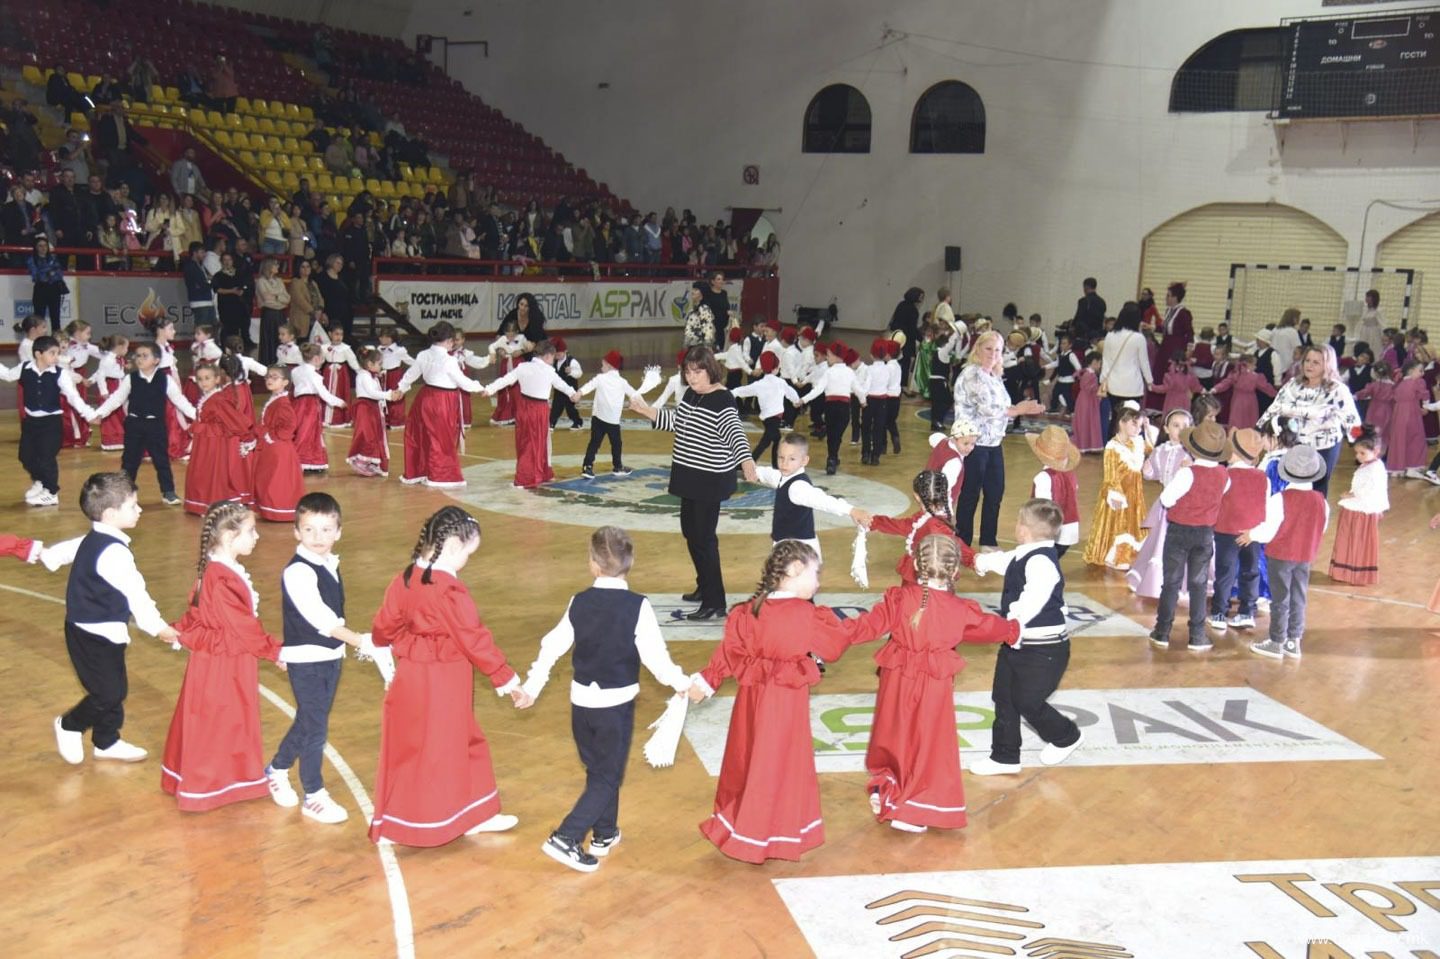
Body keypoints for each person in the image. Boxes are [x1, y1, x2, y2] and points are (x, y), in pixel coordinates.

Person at [520, 527, 694, 872]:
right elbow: (656, 660)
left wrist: (532, 686)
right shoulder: (638, 606)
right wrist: (682, 684)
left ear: (593, 564)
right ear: (631, 563)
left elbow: (551, 646)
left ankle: (604, 833)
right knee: (607, 776)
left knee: (599, 771)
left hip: (581, 706)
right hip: (616, 708)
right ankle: (566, 837)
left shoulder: (579, 601)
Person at [369, 508, 532, 846]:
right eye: (469, 554)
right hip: (445, 679)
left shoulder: (405, 578)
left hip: (411, 675)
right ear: (454, 546)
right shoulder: (448, 589)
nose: (467, 561)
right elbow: (473, 638)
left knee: (414, 746)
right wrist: (508, 679)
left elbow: (384, 626)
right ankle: (439, 820)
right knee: (449, 746)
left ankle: (445, 816)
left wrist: (386, 647)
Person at [685, 541, 854, 863]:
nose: (819, 582)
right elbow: (836, 643)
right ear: (794, 570)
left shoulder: (748, 611)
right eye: (815, 573)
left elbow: (729, 652)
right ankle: (767, 834)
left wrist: (706, 682)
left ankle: (744, 826)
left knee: (751, 760)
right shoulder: (807, 616)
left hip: (751, 702)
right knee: (779, 764)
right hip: (785, 704)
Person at [842, 535, 1019, 831]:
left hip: (897, 678)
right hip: (932, 685)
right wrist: (1014, 629)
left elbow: (865, 626)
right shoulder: (960, 609)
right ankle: (913, 808)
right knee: (927, 741)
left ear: (915, 565)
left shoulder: (899, 600)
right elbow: (987, 627)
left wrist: (824, 633)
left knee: (894, 732)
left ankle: (889, 783)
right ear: (954, 571)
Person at [53, 473, 179, 765]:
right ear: (110, 514)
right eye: (133, 505)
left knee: (113, 686)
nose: (140, 510)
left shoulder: (98, 537)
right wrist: (158, 628)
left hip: (106, 632)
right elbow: (137, 594)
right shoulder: (114, 553)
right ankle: (69, 725)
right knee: (109, 692)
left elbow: (71, 548)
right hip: (90, 634)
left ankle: (106, 741)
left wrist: (47, 555)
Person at [160, 501, 280, 810]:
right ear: (228, 536)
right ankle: (211, 784)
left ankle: (220, 779)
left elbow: (197, 611)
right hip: (225, 662)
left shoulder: (217, 569)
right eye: (251, 531)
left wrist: (180, 630)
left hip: (221, 659)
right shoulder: (221, 576)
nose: (257, 537)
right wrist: (275, 650)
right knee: (221, 720)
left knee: (218, 720)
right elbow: (243, 626)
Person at [629, 347, 758, 619]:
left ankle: (715, 601)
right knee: (691, 532)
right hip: (689, 475)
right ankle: (705, 585)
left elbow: (736, 433)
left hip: (709, 479)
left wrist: (746, 461)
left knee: (703, 538)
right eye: (688, 372)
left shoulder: (723, 399)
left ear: (711, 370)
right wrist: (647, 411)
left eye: (698, 371)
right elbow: (679, 422)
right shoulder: (690, 394)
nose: (692, 377)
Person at [264, 493, 368, 824]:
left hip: (329, 657)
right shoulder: (298, 572)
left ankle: (277, 768)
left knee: (310, 719)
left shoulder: (328, 564)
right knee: (316, 728)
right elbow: (320, 619)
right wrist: (360, 641)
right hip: (308, 661)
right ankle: (314, 794)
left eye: (326, 530)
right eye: (309, 530)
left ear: (338, 532)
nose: (318, 537)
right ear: (296, 531)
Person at [968, 499, 1085, 776]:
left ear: (1023, 530)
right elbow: (1002, 561)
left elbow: (1032, 601)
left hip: (1044, 650)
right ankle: (1005, 756)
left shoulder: (1042, 563)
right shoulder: (1024, 554)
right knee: (1004, 698)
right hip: (1016, 643)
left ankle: (1067, 736)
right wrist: (975, 561)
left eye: (1018, 521)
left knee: (1027, 701)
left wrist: (1007, 623)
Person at [952, 331, 1044, 546]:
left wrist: (1019, 408)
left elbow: (1003, 405)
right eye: (988, 348)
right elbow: (988, 408)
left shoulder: (993, 375)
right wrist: (1018, 410)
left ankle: (988, 541)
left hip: (994, 444)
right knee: (970, 494)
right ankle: (962, 543)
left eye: (997, 350)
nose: (993, 354)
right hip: (973, 444)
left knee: (995, 493)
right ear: (977, 349)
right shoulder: (972, 374)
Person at [1147, 421, 1229, 652]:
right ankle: (1197, 635)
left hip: (1179, 532)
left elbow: (1166, 499)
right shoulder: (1224, 475)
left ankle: (1162, 631)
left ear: (1193, 449)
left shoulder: (1187, 473)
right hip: (1205, 534)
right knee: (1198, 584)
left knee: (1171, 583)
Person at [1244, 445, 1330, 660]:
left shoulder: (1280, 499)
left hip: (1281, 556)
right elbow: (1322, 527)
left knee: (1280, 598)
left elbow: (1268, 531)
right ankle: (1293, 641)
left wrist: (1251, 535)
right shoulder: (1322, 501)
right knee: (1298, 597)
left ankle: (1276, 641)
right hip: (1305, 555)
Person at [89, 342, 195, 507]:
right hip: (134, 425)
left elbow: (180, 401)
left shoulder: (165, 379)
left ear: (156, 360)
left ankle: (168, 492)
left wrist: (197, 415)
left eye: (145, 356)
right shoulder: (130, 379)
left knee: (162, 461)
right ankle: (125, 494)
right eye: (138, 355)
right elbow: (116, 399)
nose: (139, 359)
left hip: (156, 426)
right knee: (129, 462)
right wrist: (100, 413)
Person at [1256, 344, 1360, 497]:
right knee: (1291, 488)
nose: (1309, 365)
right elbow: (1274, 408)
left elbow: (1352, 419)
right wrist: (1257, 431)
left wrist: (1363, 444)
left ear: (1327, 365)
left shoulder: (1338, 390)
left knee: (1316, 492)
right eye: (1307, 361)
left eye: (1316, 362)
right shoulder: (1293, 384)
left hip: (1324, 447)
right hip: (1294, 444)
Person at [482, 340, 580, 489]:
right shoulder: (549, 371)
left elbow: (505, 380)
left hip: (523, 408)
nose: (553, 361)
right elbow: (563, 385)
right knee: (539, 442)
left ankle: (535, 474)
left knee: (526, 442)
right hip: (539, 410)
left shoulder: (522, 367)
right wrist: (574, 394)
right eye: (552, 358)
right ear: (547, 356)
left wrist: (489, 389)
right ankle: (528, 477)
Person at [752, 434, 869, 558]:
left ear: (804, 461)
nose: (784, 463)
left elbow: (822, 500)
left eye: (792, 459)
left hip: (799, 552)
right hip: (788, 547)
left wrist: (851, 510)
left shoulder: (798, 488)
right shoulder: (784, 477)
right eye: (781, 457)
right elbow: (770, 475)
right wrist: (753, 470)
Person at [398, 322, 485, 488]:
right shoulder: (449, 360)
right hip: (442, 401)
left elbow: (411, 374)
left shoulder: (423, 354)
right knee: (442, 438)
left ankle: (419, 471)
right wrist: (481, 388)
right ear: (449, 341)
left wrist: (401, 388)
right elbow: (462, 382)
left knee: (421, 435)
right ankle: (441, 475)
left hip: (424, 398)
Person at [19, 336, 98, 507]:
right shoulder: (24, 368)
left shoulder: (61, 374)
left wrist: (89, 414)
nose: (56, 357)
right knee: (25, 456)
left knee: (46, 457)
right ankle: (40, 481)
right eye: (52, 353)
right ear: (38, 354)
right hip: (30, 423)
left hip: (51, 424)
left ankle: (51, 492)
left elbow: (73, 397)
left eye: (57, 353)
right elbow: (6, 374)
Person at [866, 471, 976, 582]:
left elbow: (956, 546)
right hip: (921, 575)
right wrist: (872, 521)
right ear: (946, 494)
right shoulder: (926, 518)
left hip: (928, 580)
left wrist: (974, 560)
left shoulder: (936, 526)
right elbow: (903, 525)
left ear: (917, 496)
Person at [1210, 428, 1269, 630]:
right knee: (1250, 571)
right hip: (1252, 534)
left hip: (1227, 532)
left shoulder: (1225, 475)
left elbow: (1216, 501)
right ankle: (1246, 612)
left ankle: (1219, 612)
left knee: (1225, 573)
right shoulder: (1263, 477)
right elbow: (1265, 505)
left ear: (1233, 452)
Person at [183, 358, 255, 515]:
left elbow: (234, 420)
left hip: (214, 444)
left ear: (217, 379)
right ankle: (202, 502)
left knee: (211, 472)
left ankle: (212, 501)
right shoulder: (209, 397)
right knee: (202, 471)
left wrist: (246, 438)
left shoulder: (218, 399)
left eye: (207, 378)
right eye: (200, 379)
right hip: (205, 443)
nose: (203, 382)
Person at [1083, 403, 1151, 570]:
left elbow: (1151, 449)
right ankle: (1117, 556)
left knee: (1133, 522)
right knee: (1119, 523)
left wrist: (1148, 429)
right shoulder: (1112, 447)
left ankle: (1131, 554)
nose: (1138, 429)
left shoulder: (1137, 442)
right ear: (1122, 422)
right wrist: (1117, 494)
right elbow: (1111, 475)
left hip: (1135, 494)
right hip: (1119, 494)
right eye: (1134, 424)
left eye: (1140, 426)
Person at [1328, 425, 1388, 586]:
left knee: (1358, 541)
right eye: (1357, 453)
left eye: (1362, 453)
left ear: (1376, 451)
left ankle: (1355, 573)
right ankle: (1346, 571)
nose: (1358, 456)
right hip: (1359, 507)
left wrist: (1350, 495)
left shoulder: (1375, 469)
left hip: (1363, 511)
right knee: (1351, 540)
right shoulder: (1369, 465)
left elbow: (1370, 490)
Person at [800, 343, 868, 475]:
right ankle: (833, 458)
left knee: (832, 435)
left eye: (829, 355)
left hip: (830, 407)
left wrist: (803, 400)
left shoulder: (829, 372)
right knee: (837, 434)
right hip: (844, 407)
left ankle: (832, 458)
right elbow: (858, 390)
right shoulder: (849, 372)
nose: (827, 358)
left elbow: (818, 389)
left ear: (837, 356)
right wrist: (863, 402)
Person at [576, 350, 644, 479]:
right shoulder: (622, 382)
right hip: (613, 421)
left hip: (598, 418)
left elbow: (588, 386)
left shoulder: (600, 378)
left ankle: (587, 466)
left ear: (609, 365)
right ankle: (617, 467)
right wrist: (644, 406)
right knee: (616, 444)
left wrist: (579, 393)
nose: (601, 366)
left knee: (594, 443)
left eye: (603, 364)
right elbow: (635, 394)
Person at [252, 367, 304, 523]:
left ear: (285, 382)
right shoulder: (275, 399)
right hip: (272, 447)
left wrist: (271, 435)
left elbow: (290, 425)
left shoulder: (282, 403)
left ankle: (279, 511)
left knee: (277, 480)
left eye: (275, 377)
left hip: (278, 449)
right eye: (268, 377)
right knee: (267, 478)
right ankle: (269, 509)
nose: (270, 380)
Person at [735, 351, 799, 469]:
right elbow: (791, 393)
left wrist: (731, 393)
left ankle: (774, 465)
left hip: (768, 419)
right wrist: (796, 401)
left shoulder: (759, 384)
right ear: (775, 369)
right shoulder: (780, 382)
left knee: (775, 439)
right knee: (766, 442)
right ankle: (747, 464)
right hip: (774, 418)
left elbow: (743, 390)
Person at [291, 343, 347, 473]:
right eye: (322, 358)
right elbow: (324, 394)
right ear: (316, 359)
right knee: (309, 432)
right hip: (309, 405)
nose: (323, 361)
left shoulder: (295, 371)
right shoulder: (314, 375)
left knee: (301, 430)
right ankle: (303, 460)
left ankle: (307, 461)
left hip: (298, 403)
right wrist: (339, 402)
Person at [1026, 426, 1081, 557]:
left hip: (1052, 531)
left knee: (1043, 558)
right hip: (1071, 528)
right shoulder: (1070, 474)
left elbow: (1043, 507)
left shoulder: (1043, 477)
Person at [925, 417, 979, 515]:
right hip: (939, 506)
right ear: (954, 439)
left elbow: (933, 438)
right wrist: (947, 510)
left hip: (926, 493)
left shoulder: (942, 441)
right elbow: (945, 487)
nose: (969, 448)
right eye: (965, 443)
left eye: (973, 444)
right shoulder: (954, 463)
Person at [1210, 355, 1276, 431]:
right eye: (1254, 365)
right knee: (1249, 420)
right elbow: (1266, 387)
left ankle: (1234, 434)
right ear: (1248, 364)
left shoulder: (1236, 374)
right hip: (1250, 401)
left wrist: (1215, 389)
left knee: (1237, 419)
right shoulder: (1255, 376)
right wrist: (1276, 394)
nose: (1255, 367)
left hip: (1237, 400)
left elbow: (1225, 383)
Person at [321, 326, 360, 429]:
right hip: (328, 372)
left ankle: (340, 419)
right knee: (326, 392)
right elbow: (320, 360)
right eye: (336, 334)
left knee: (340, 393)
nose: (339, 337)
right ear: (330, 334)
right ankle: (326, 418)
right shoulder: (324, 347)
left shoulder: (345, 348)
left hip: (341, 373)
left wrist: (361, 372)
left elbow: (353, 362)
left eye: (341, 335)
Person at [888, 287, 923, 393]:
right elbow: (912, 328)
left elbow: (893, 321)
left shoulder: (901, 304)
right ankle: (903, 385)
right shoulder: (913, 310)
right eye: (921, 296)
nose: (922, 299)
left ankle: (891, 382)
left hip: (896, 335)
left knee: (894, 360)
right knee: (905, 363)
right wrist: (921, 338)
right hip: (906, 339)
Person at [376, 327, 413, 429]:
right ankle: (385, 419)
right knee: (384, 397)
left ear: (390, 338)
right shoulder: (379, 349)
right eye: (380, 337)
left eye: (383, 337)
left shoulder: (399, 350)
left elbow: (411, 361)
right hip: (383, 375)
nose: (381, 339)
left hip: (395, 375)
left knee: (396, 397)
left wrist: (420, 367)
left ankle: (397, 421)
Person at [28, 237, 67, 328]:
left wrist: (46, 272)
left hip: (54, 289)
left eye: (45, 245)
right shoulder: (32, 260)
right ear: (36, 247)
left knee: (56, 318)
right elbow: (37, 276)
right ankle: (39, 337)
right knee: (39, 318)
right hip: (40, 289)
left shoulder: (53, 258)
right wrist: (50, 272)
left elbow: (59, 274)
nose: (43, 248)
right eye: (40, 246)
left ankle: (56, 336)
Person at [548, 338, 584, 431]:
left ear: (565, 351)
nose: (557, 356)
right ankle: (551, 423)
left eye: (559, 354)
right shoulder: (554, 361)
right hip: (559, 390)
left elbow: (579, 373)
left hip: (570, 390)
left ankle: (578, 422)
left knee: (570, 408)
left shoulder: (572, 361)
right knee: (556, 408)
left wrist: (571, 372)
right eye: (555, 354)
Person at [1072, 351, 1104, 453]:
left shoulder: (1086, 373)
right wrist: (1100, 388)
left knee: (1086, 421)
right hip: (1088, 401)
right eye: (1099, 363)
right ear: (1094, 362)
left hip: (1085, 400)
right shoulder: (1090, 374)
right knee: (1087, 421)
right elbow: (1089, 388)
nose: (1100, 366)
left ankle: (1086, 444)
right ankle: (1085, 445)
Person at [1071, 277, 1106, 346]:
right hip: (1097, 334)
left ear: (1086, 287)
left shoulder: (1083, 301)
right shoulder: (1102, 302)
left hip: (1084, 334)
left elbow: (1079, 316)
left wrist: (1072, 326)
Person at [1355, 289, 1384, 354]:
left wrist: (1384, 336)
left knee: (1373, 348)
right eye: (1366, 296)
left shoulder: (1378, 310)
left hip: (1373, 333)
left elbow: (1382, 324)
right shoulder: (1364, 308)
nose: (1366, 298)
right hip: (1364, 332)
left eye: (1369, 297)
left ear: (1374, 298)